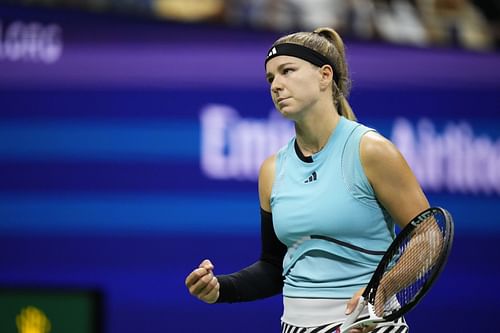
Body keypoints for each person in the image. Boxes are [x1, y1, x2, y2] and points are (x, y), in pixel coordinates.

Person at [185, 27, 429, 333]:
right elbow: (275, 267)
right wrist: (220, 289)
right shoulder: (272, 170)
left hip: (368, 326)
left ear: (325, 76)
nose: (276, 85)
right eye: (271, 78)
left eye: (287, 71)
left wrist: (379, 292)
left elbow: (428, 236)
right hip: (295, 326)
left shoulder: (371, 150)